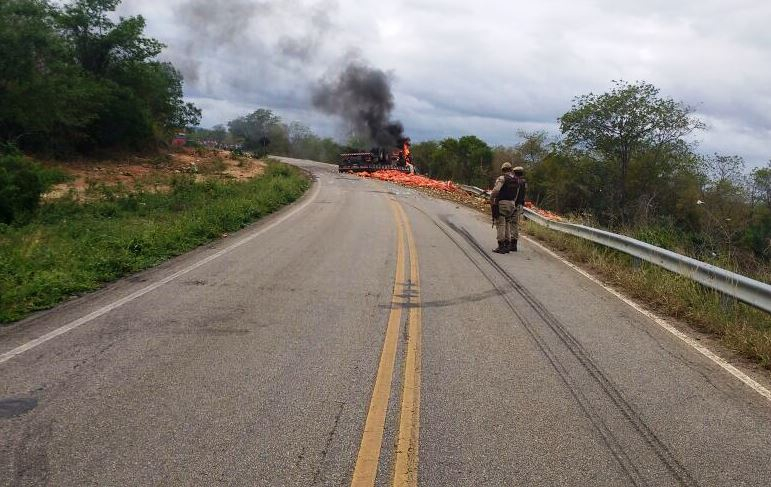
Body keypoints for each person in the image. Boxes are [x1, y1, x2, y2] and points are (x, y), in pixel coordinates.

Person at [490, 163, 526, 253]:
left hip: (503, 203)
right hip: (512, 204)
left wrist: (491, 198)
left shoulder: (502, 178)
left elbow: (496, 190)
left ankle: (501, 245)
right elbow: (517, 194)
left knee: (500, 224)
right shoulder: (516, 180)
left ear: (503, 170)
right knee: (508, 223)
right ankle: (507, 245)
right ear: (510, 169)